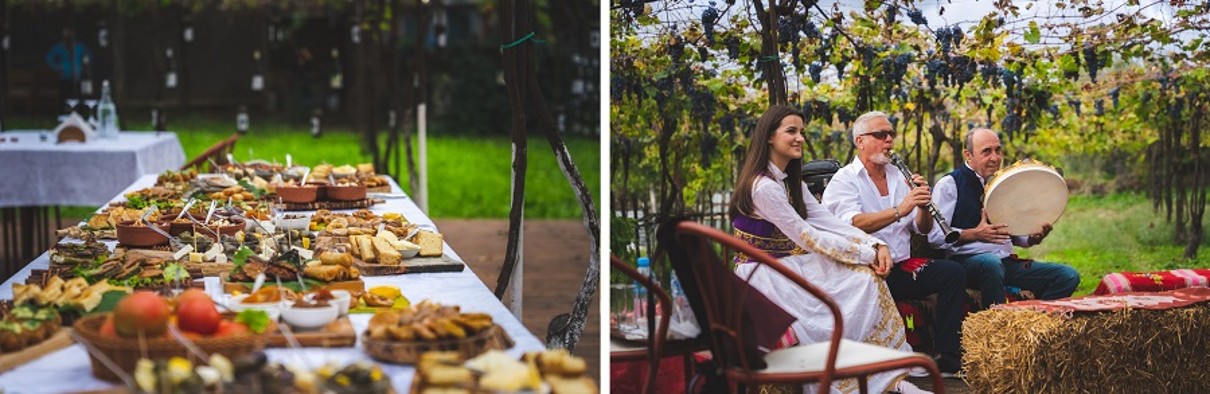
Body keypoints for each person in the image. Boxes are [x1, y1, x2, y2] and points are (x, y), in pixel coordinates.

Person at [729, 105, 929, 394]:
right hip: (763, 273)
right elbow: (808, 237)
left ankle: (889, 377)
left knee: (864, 277)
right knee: (856, 280)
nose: (799, 138)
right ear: (769, 137)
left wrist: (875, 243)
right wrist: (866, 252)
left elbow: (828, 222)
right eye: (791, 131)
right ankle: (849, 378)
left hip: (787, 264)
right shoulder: (763, 187)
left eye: (801, 131)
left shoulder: (789, 181)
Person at [821, 111, 966, 377]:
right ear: (860, 141)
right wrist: (901, 208)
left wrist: (922, 205)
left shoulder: (899, 176)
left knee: (953, 274)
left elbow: (921, 229)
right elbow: (853, 223)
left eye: (891, 135)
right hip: (863, 271)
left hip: (900, 268)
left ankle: (948, 357)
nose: (889, 140)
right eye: (880, 135)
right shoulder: (845, 179)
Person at [929, 128, 1080, 309]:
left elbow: (1014, 234)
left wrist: (1032, 237)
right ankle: (998, 327)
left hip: (1005, 263)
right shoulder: (949, 184)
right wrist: (975, 234)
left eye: (998, 150)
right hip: (967, 263)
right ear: (968, 155)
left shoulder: (1005, 183)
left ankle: (1031, 324)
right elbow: (935, 237)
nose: (995, 158)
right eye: (986, 151)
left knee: (1068, 276)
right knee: (990, 263)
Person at [45, 27, 92, 104]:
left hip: (78, 74)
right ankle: (65, 111)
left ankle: (79, 110)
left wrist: (85, 65)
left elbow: (88, 55)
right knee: (65, 94)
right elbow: (49, 57)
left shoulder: (80, 46)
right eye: (66, 37)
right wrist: (56, 67)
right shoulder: (60, 47)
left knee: (79, 93)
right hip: (64, 75)